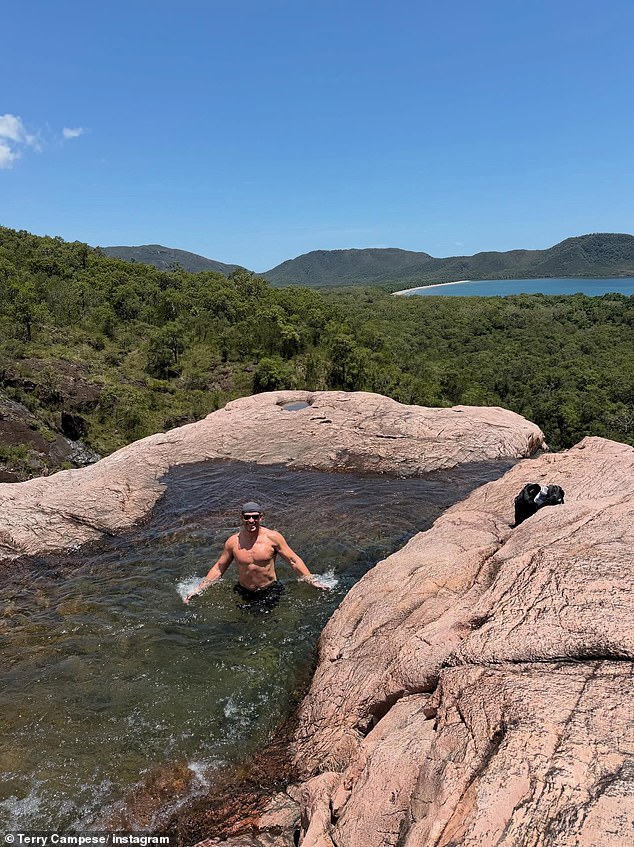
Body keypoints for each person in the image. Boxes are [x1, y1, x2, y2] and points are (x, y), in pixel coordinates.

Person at [183, 502, 330, 606]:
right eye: (247, 517)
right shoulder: (233, 542)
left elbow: (293, 560)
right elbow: (219, 568)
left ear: (261, 517)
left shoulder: (273, 538)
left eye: (255, 516)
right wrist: (199, 589)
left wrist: (311, 580)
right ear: (242, 518)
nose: (251, 520)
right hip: (244, 591)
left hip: (270, 589)